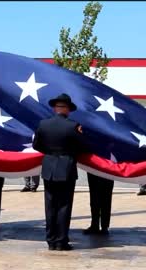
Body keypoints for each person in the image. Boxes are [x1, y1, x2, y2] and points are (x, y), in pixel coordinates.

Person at [33, 93, 88, 251]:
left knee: (50, 205)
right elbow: (83, 146)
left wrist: (50, 152)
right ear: (68, 110)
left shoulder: (43, 124)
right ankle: (61, 241)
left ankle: (51, 240)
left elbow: (37, 145)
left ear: (55, 108)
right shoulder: (73, 125)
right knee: (64, 205)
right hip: (66, 167)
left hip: (49, 166)